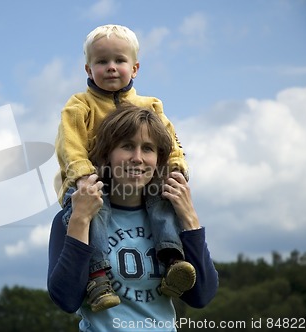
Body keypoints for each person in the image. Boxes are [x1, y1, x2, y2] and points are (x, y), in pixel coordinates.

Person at [55, 24, 194, 312]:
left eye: (119, 61)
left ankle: (172, 260)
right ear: (87, 69)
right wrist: (82, 176)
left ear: (135, 68)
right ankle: (97, 276)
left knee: (163, 200)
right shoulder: (80, 105)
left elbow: (171, 143)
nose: (111, 68)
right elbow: (70, 146)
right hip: (93, 182)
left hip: (140, 185)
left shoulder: (150, 106)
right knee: (96, 210)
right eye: (101, 62)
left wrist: (177, 168)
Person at [48, 104, 218, 331]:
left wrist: (190, 219)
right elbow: (66, 299)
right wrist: (80, 219)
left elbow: (201, 297)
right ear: (107, 154)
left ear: (159, 160)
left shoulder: (169, 220)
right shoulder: (73, 219)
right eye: (127, 146)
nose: (137, 158)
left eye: (148, 149)